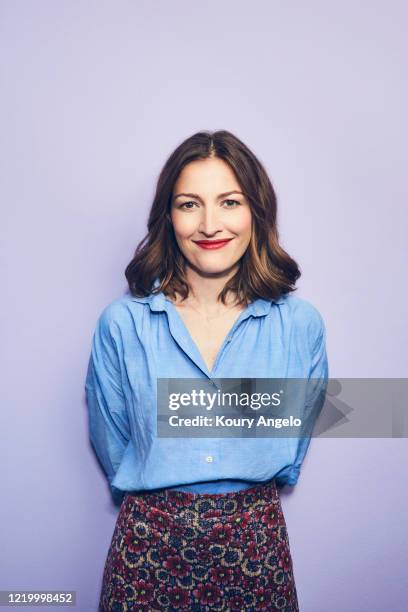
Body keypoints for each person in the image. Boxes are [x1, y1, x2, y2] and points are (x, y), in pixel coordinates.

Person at [85, 129, 329, 611]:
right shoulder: (123, 323)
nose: (210, 224)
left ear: (256, 212)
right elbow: (112, 437)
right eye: (190, 204)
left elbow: (298, 431)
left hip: (256, 543)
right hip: (147, 545)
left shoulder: (300, 325)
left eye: (230, 201)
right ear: (168, 216)